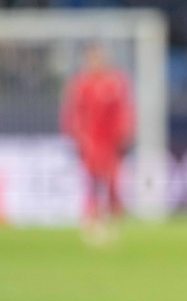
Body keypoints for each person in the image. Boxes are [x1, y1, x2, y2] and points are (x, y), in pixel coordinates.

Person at [61, 43, 134, 244]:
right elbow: (74, 113)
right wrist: (77, 137)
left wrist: (125, 135)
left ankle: (113, 225)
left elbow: (123, 112)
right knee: (91, 184)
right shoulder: (81, 84)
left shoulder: (116, 82)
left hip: (111, 143)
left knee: (113, 185)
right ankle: (92, 226)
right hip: (90, 143)